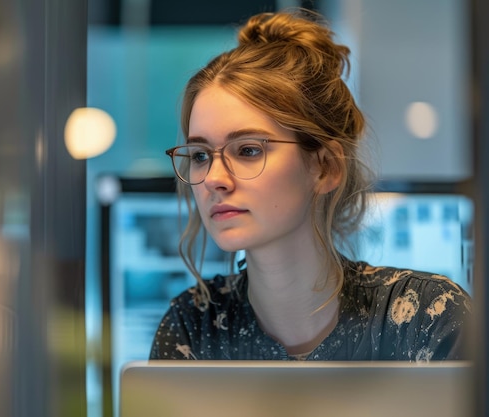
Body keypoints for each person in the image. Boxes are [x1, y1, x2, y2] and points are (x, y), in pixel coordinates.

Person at [150, 9, 471, 361]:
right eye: (199, 155)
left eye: (248, 150)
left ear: (325, 167)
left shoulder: (426, 318)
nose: (213, 179)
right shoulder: (193, 328)